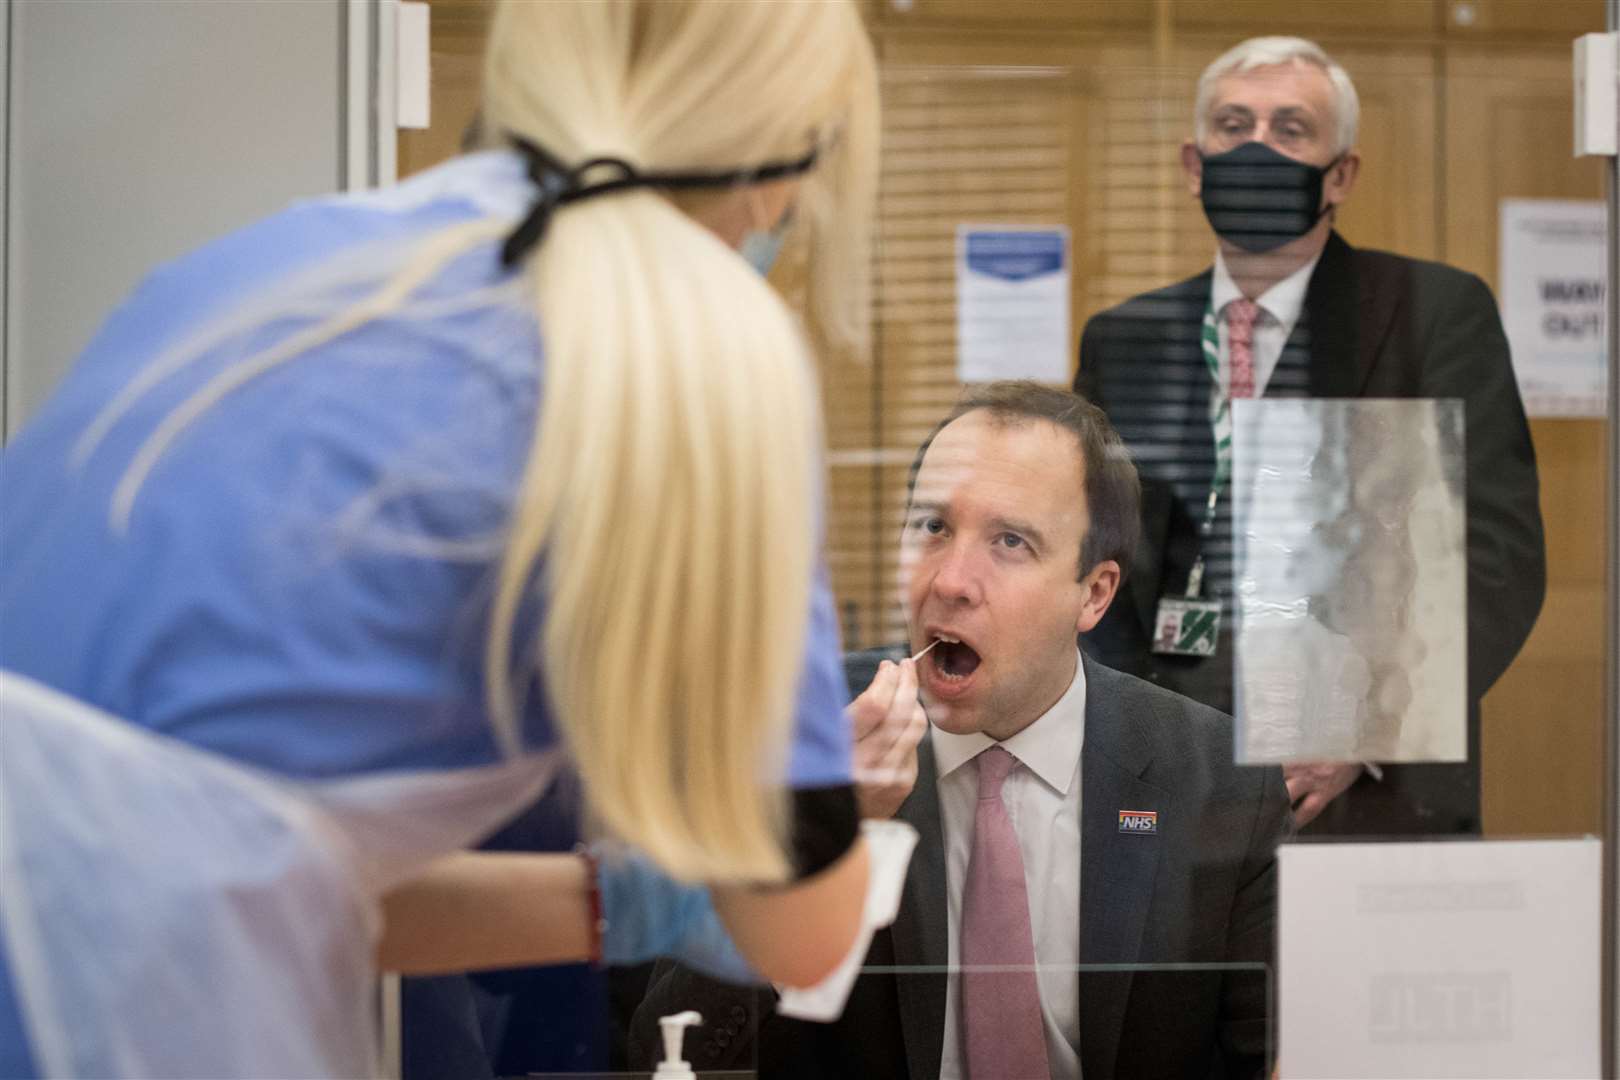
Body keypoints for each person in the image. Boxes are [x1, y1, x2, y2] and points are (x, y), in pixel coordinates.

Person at [0, 2, 899, 1075]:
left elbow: (271, 868)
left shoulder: (301, 259)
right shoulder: (704, 366)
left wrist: (621, 904)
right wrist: (831, 818)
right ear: (778, 165)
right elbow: (796, 930)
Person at [633, 383, 1291, 1080]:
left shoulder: (1220, 777)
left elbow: (1273, 1057)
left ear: (1093, 594)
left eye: (1010, 541)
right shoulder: (791, 739)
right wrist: (821, 840)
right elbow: (669, 1054)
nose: (950, 580)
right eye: (932, 527)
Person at [1075, 35, 1545, 835]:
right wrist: (1128, 731)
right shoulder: (1126, 338)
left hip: (1365, 792)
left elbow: (1496, 558)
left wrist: (1363, 728)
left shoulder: (1434, 314)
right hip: (1164, 781)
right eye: (1233, 125)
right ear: (1194, 164)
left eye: (1290, 129)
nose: (1256, 147)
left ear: (1342, 174)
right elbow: (1092, 553)